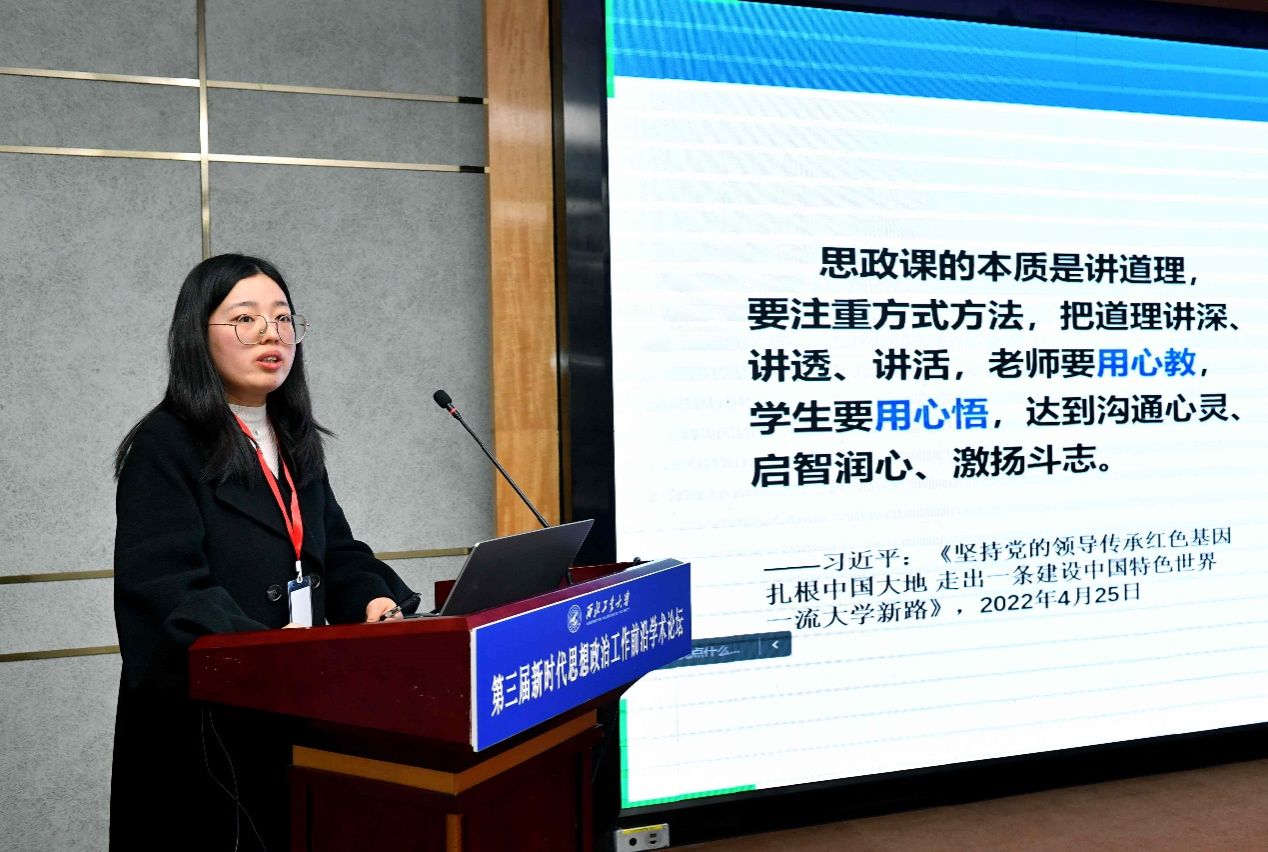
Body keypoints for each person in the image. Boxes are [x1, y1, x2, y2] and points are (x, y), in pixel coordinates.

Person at [109, 254, 417, 851]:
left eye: (282, 318)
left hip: (291, 707)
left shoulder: (292, 435)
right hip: (206, 730)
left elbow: (337, 550)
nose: (270, 334)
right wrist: (278, 654)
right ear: (197, 335)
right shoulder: (165, 443)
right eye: (245, 319)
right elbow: (169, 593)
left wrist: (374, 600)